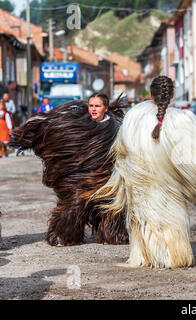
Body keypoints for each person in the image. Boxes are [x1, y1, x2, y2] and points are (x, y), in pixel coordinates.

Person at [92, 76, 196, 268]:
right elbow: (195, 158)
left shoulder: (134, 118)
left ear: (150, 94)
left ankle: (144, 256)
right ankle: (174, 257)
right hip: (171, 184)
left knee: (143, 219)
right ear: (172, 95)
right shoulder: (184, 120)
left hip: (141, 183)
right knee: (172, 217)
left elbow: (122, 151)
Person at [9, 92, 129, 246]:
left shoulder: (116, 128)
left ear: (105, 108)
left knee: (110, 202)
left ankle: (111, 232)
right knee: (76, 200)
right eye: (91, 106)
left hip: (105, 176)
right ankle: (64, 234)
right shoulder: (79, 124)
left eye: (97, 106)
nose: (93, 109)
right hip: (80, 176)